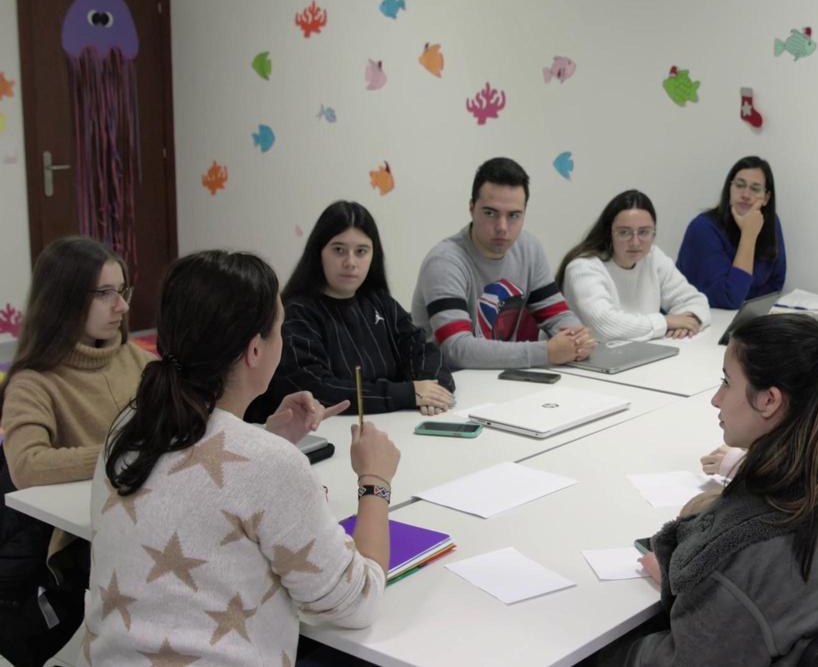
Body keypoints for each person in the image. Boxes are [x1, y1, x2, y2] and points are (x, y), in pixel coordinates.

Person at [84, 250, 401, 665]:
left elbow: (202, 483)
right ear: (255, 349)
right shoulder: (268, 465)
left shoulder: (128, 428)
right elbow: (356, 603)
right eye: (280, 330)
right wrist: (375, 481)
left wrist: (269, 438)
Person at [597, 314, 818, 665]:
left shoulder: (745, 551)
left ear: (769, 400)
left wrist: (686, 580)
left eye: (726, 383)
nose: (716, 399)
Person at [0, 236, 154, 666]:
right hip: (82, 544)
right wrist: (123, 450)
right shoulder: (35, 379)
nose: (121, 307)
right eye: (104, 294)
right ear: (65, 299)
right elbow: (27, 465)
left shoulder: (137, 361)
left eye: (122, 291)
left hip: (145, 513)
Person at [248, 200, 455, 422]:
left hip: (394, 427)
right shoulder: (296, 313)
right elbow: (317, 390)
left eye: (361, 251)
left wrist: (431, 391)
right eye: (339, 250)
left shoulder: (381, 303)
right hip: (327, 437)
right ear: (319, 252)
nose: (350, 262)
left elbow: (426, 351)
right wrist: (408, 393)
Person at [412, 157, 596, 368]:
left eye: (514, 215)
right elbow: (456, 349)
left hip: (505, 378)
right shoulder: (444, 262)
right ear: (471, 208)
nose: (502, 227)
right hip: (450, 385)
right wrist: (546, 352)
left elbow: (556, 314)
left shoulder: (529, 248)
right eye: (490, 213)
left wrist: (576, 340)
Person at [558, 189, 710, 342]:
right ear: (608, 233)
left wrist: (690, 319)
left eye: (644, 232)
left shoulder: (653, 256)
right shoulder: (583, 267)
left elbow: (694, 299)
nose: (635, 242)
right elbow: (604, 326)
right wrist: (666, 322)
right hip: (587, 359)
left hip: (639, 352)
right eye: (624, 232)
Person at [676, 156, 787, 309]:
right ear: (729, 189)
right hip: (699, 321)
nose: (746, 195)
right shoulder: (703, 228)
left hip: (745, 319)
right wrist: (749, 236)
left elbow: (775, 284)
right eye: (740, 185)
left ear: (766, 198)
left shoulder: (770, 223)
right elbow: (729, 297)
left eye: (755, 189)